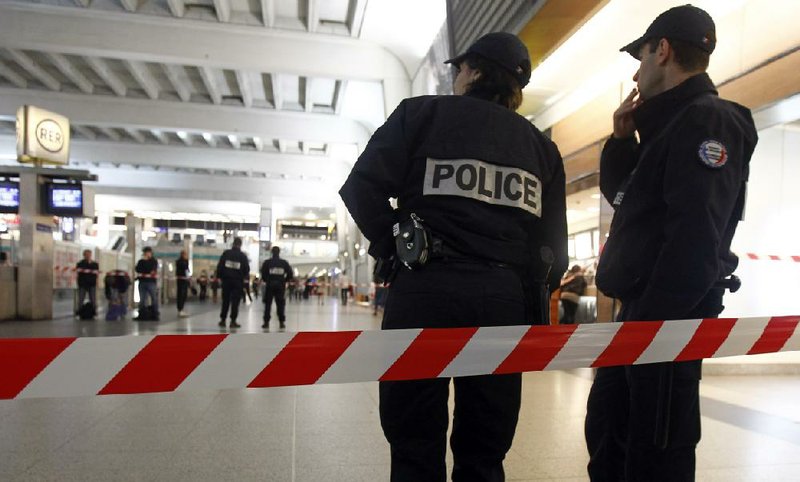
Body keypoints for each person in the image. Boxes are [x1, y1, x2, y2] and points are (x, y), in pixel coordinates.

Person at [339, 32, 568, 482]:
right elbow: (552, 250)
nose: (457, 76)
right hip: (502, 304)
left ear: (476, 71)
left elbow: (360, 187)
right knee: (485, 449)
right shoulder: (541, 148)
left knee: (413, 443)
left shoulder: (420, 115)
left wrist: (396, 245)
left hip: (424, 290)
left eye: (460, 68)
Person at [585, 6, 758, 482]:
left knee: (655, 454)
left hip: (666, 322)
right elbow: (630, 203)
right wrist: (621, 142)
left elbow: (695, 241)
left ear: (662, 50)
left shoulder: (707, 122)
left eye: (640, 56)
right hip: (642, 317)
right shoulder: (667, 128)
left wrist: (649, 327)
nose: (637, 71)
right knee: (611, 438)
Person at [216, 237, 250, 328]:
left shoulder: (226, 253)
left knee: (225, 301)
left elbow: (220, 266)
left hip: (226, 281)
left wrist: (220, 277)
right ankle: (233, 321)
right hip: (237, 282)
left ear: (233, 244)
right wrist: (242, 276)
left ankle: (223, 320)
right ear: (240, 245)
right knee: (235, 302)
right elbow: (246, 269)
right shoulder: (243, 256)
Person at [260, 246, 293, 329]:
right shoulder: (284, 263)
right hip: (280, 286)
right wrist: (284, 280)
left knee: (268, 304)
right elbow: (290, 274)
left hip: (270, 285)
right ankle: (281, 322)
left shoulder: (267, 262)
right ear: (279, 252)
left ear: (271, 252)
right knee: (280, 304)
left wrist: (267, 280)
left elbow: (263, 273)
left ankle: (266, 323)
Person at [135, 246, 159, 321]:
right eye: (145, 253)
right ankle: (142, 314)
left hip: (151, 282)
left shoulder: (154, 261)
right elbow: (138, 269)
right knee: (142, 299)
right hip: (142, 282)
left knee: (154, 298)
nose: (146, 254)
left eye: (148, 252)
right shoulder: (141, 261)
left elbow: (151, 270)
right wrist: (145, 265)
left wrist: (146, 268)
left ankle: (154, 314)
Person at [76, 249, 99, 317]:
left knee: (93, 299)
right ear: (84, 255)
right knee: (81, 299)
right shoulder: (80, 264)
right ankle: (80, 311)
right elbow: (79, 272)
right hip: (83, 284)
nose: (88, 256)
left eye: (89, 254)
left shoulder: (95, 264)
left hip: (92, 284)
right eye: (86, 255)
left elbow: (96, 274)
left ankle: (93, 311)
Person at [175, 250, 190, 317]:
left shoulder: (186, 262)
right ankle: (180, 309)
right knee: (180, 294)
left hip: (185, 280)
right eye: (185, 254)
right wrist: (186, 262)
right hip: (181, 281)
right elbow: (184, 268)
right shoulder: (180, 262)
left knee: (184, 295)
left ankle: (182, 308)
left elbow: (187, 270)